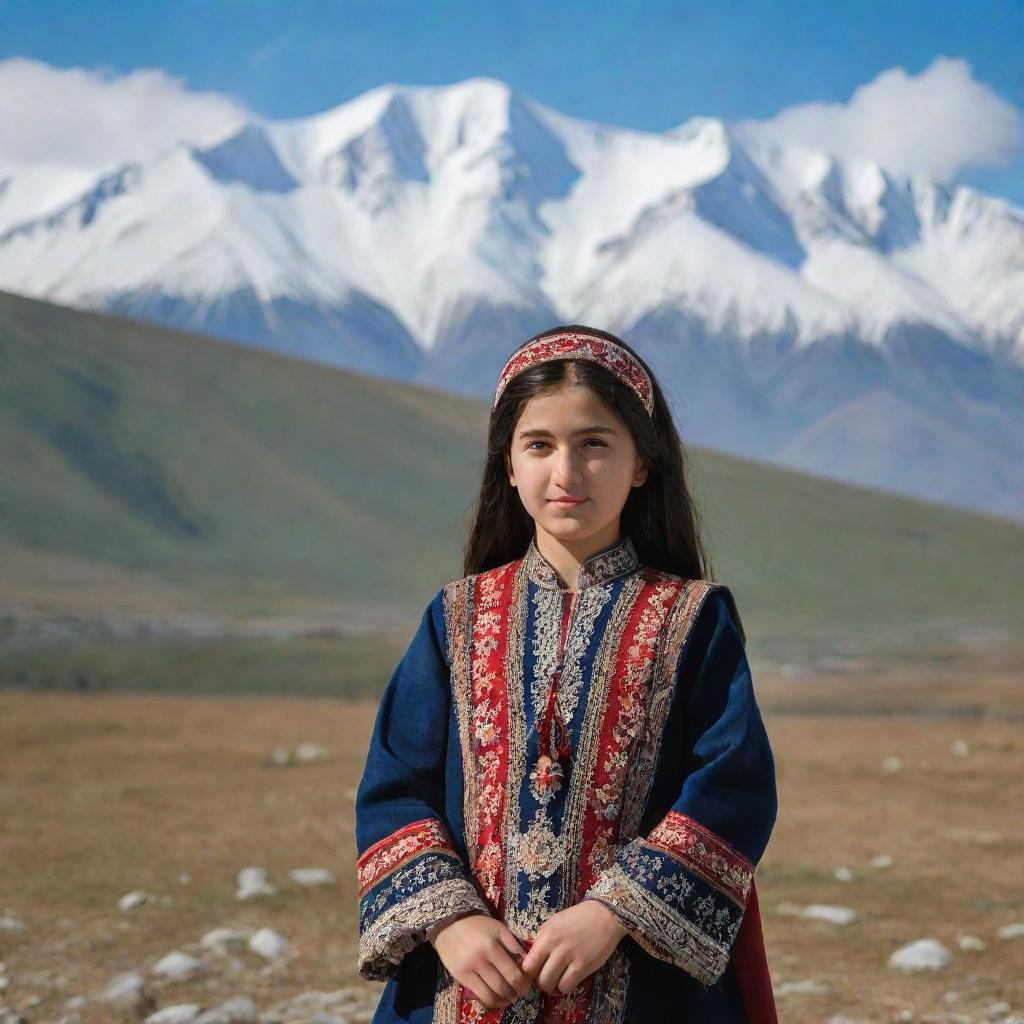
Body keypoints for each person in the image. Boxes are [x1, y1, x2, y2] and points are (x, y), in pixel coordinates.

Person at [354, 325, 779, 1023]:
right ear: (509, 466)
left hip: (644, 985)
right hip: (468, 986)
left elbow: (734, 785)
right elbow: (395, 785)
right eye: (540, 445)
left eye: (595, 444)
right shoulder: (455, 619)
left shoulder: (692, 619)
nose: (566, 473)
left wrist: (614, 912)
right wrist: (451, 924)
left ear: (643, 461)